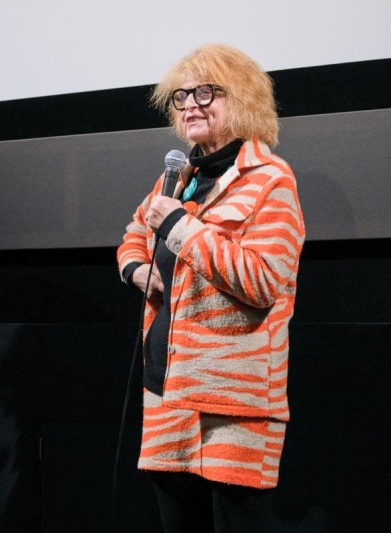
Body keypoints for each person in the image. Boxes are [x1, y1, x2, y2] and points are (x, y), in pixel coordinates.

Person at [116, 44, 305, 532]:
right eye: (181, 96)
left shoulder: (270, 181)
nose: (190, 104)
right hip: (166, 395)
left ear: (242, 98)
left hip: (232, 405)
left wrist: (181, 228)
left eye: (205, 91)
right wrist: (137, 270)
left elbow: (263, 280)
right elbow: (135, 236)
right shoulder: (177, 176)